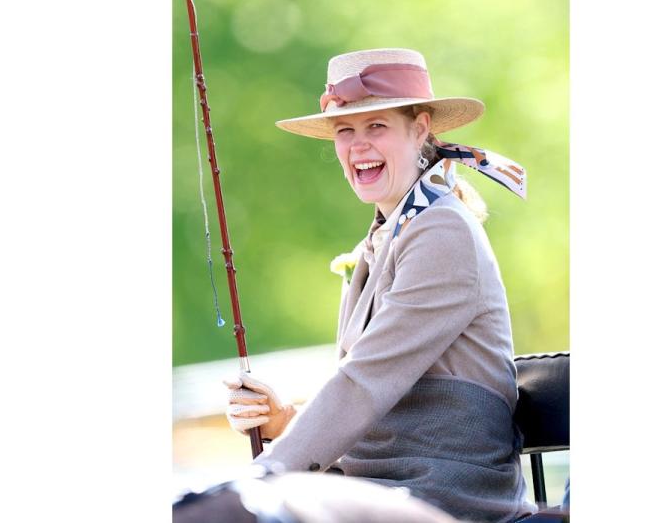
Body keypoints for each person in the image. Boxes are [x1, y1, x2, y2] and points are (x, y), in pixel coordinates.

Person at [223, 48, 533, 522]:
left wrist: (260, 480)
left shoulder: (442, 231)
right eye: (345, 131)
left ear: (421, 128)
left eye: (377, 127)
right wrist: (284, 420)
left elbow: (365, 381)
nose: (358, 145)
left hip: (446, 499)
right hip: (378, 492)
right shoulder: (386, 237)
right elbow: (377, 401)